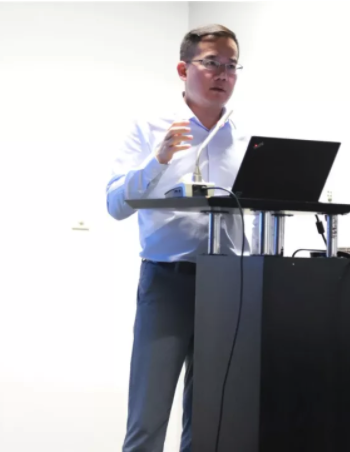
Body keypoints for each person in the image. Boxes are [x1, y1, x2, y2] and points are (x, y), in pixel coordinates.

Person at [106, 24, 251, 452]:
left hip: (231, 286)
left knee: (211, 421)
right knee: (148, 418)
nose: (222, 74)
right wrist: (159, 160)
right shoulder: (150, 129)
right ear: (183, 69)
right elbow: (115, 205)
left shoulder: (245, 136)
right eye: (211, 63)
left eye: (231, 66)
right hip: (168, 281)